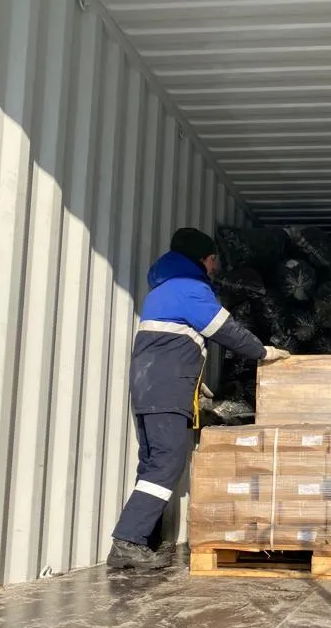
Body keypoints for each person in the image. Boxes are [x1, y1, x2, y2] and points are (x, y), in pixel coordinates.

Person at [107, 227, 289, 572]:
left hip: (149, 390)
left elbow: (168, 347)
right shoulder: (189, 289)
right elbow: (226, 330)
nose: (215, 267)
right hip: (167, 392)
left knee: (152, 464)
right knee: (167, 462)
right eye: (212, 259)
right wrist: (263, 352)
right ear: (202, 259)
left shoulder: (161, 291)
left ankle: (143, 540)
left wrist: (194, 380)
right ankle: (128, 541)